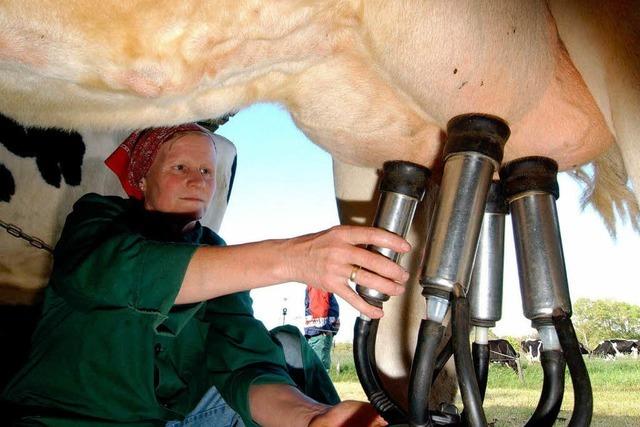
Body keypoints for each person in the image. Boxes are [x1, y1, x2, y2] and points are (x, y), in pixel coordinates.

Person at [1, 123, 411, 427]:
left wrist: (313, 417)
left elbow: (244, 367)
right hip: (61, 418)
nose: (197, 180)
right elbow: (120, 272)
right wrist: (292, 259)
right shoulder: (98, 219)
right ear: (143, 179)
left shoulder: (215, 252)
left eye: (207, 172)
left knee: (285, 346)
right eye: (180, 166)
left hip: (178, 419)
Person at [304, 287, 340, 370]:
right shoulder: (318, 285)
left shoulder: (318, 285)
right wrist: (326, 329)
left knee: (319, 367)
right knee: (320, 368)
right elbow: (319, 308)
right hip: (320, 333)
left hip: (320, 333)